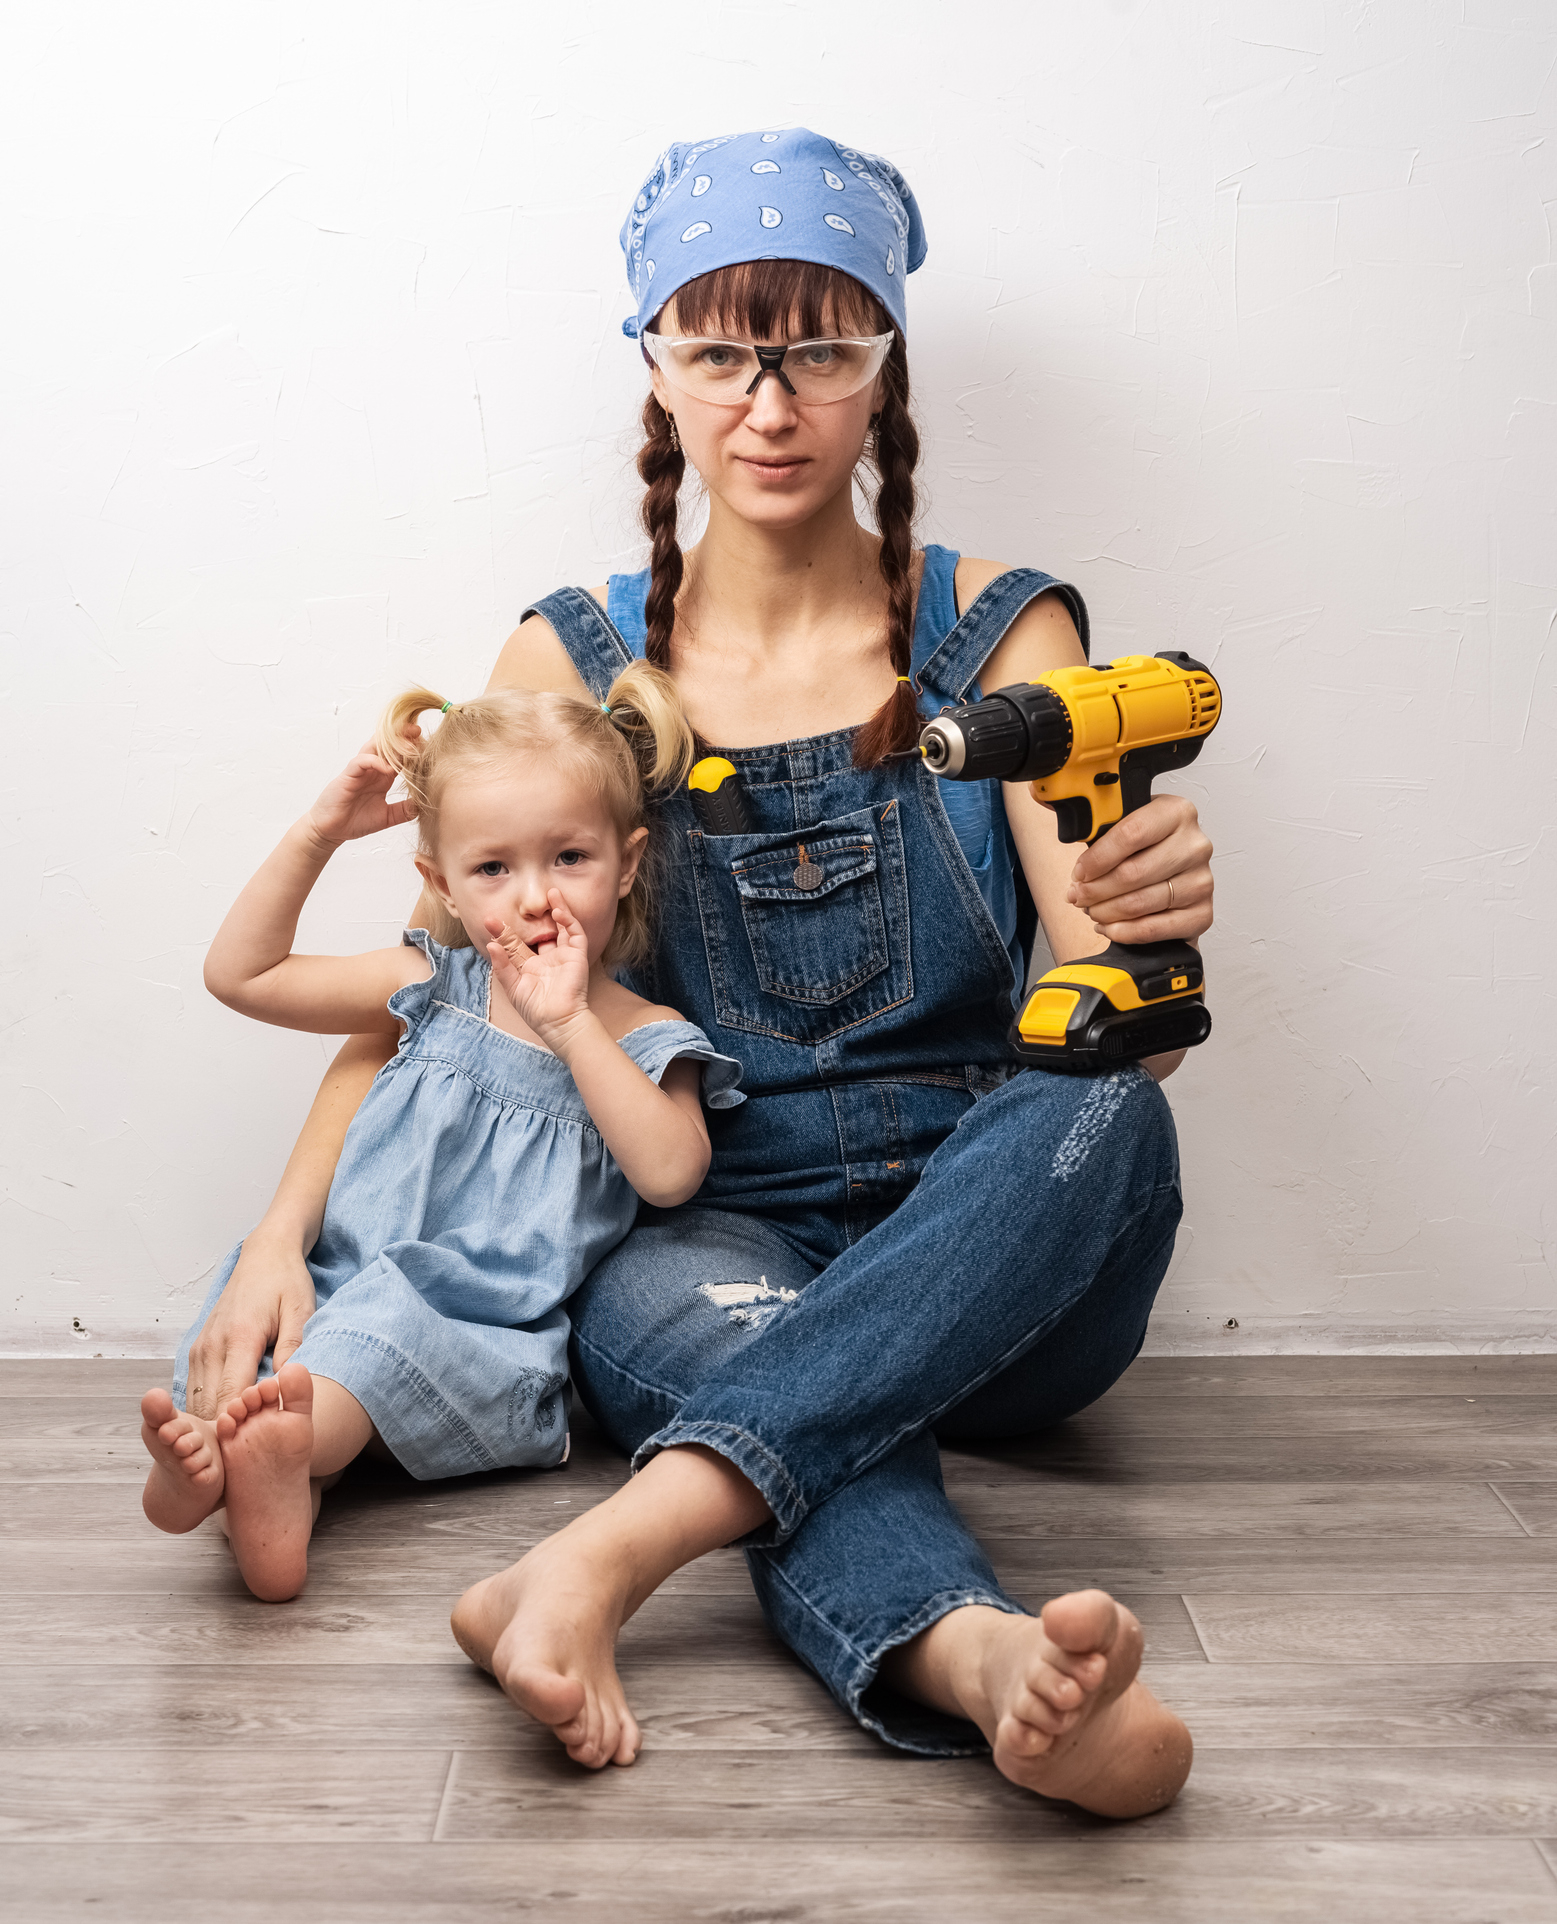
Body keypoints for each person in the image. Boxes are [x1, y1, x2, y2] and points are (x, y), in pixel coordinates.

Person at [185, 127, 1214, 1816]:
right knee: (771, 1362)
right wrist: (280, 1239)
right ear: (654, 369)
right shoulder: (574, 661)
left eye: (818, 343)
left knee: (1111, 1110)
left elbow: (1126, 1029)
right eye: (721, 346)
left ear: (881, 364)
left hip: (997, 1232)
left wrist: (1149, 927)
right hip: (704, 1237)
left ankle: (604, 1548)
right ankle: (979, 1659)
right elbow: (438, 995)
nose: (770, 400)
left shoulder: (1002, 636)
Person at [139, 663, 742, 1602]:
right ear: (444, 885)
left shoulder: (642, 1036)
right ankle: (236, 1484)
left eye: (568, 858)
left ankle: (263, 1466)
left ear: (626, 864)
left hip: (480, 1335)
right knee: (264, 1346)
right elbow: (241, 975)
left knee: (349, 1354)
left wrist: (570, 1024)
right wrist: (317, 835)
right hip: (337, 1287)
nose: (534, 896)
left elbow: (671, 1175)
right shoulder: (435, 986)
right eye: (494, 868)